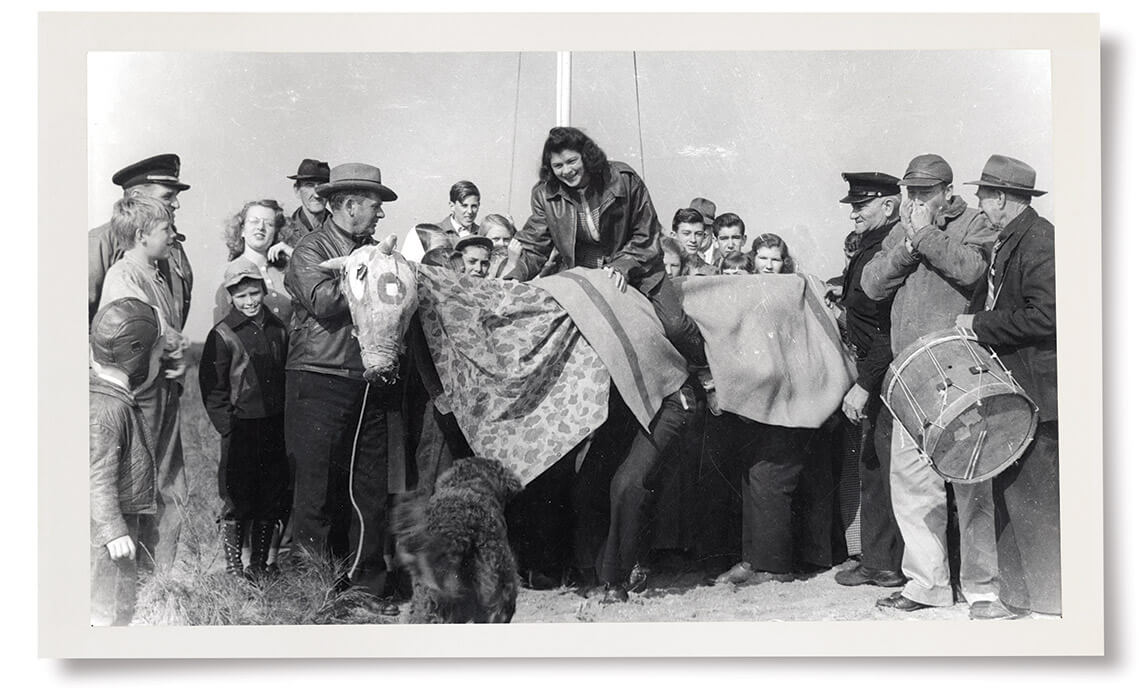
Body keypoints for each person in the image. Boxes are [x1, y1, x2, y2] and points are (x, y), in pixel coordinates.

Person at [860, 153, 1001, 616]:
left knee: (970, 479)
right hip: (911, 376)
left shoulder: (973, 222)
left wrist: (923, 235)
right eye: (910, 192)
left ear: (946, 191)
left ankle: (982, 588)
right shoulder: (902, 228)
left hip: (959, 371)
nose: (914, 200)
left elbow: (973, 270)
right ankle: (927, 584)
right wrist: (907, 243)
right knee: (912, 483)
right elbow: (872, 285)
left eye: (924, 192)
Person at [283, 162, 404, 615]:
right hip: (318, 377)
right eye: (375, 206)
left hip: (370, 382)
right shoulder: (309, 249)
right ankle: (315, 591)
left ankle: (367, 589)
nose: (380, 216)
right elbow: (323, 302)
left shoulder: (374, 251)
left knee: (369, 488)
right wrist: (369, 270)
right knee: (316, 491)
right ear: (349, 205)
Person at [503, 126, 709, 374]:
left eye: (571, 161)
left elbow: (647, 233)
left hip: (638, 267)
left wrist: (622, 265)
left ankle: (704, 369)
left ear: (586, 156)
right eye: (558, 166)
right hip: (584, 274)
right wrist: (514, 276)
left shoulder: (623, 178)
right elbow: (536, 245)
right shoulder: (545, 194)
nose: (567, 171)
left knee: (674, 326)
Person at [957, 155, 1058, 619]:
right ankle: (1019, 598)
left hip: (1038, 393)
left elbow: (1049, 314)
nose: (979, 204)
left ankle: (1054, 602)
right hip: (1017, 391)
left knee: (1036, 499)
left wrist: (980, 324)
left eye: (983, 195)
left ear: (1000, 198)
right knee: (1011, 494)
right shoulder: (1013, 240)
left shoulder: (1040, 240)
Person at [99, 196, 190, 573]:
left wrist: (178, 353)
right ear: (140, 235)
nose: (172, 235)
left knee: (170, 483)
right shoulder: (123, 276)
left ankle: (160, 578)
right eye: (165, 229)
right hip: (139, 397)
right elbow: (137, 334)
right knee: (138, 484)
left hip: (161, 389)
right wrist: (174, 342)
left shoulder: (156, 273)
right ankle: (130, 582)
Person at [831, 172, 906, 589]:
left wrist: (865, 384)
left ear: (888, 206)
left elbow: (888, 329)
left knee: (887, 467)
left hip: (885, 372)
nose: (854, 213)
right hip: (876, 369)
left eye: (861, 206)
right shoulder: (873, 246)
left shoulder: (889, 248)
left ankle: (889, 563)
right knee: (873, 466)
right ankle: (879, 561)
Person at [199, 260, 291, 581]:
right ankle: (234, 565)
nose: (250, 301)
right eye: (241, 296)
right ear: (230, 298)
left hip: (273, 427)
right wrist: (228, 427)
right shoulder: (222, 334)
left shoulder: (279, 329)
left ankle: (260, 564)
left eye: (255, 293)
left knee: (270, 495)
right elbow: (213, 388)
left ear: (264, 291)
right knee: (237, 497)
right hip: (240, 430)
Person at [89, 298, 163, 625]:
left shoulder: (110, 399)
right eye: (158, 355)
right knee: (103, 609)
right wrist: (114, 530)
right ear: (138, 357)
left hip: (116, 523)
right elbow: (97, 480)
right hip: (107, 535)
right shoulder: (110, 410)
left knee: (117, 599)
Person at [89, 153, 193, 329]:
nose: (176, 204)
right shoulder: (100, 242)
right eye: (167, 196)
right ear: (136, 197)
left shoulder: (173, 247)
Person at [214, 200, 294, 325]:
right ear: (242, 230)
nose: (261, 227)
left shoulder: (287, 271)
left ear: (277, 232)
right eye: (254, 221)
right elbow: (222, 329)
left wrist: (293, 253)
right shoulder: (228, 272)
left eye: (269, 224)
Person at [276, 158, 331, 256]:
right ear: (297, 190)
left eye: (322, 186)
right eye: (309, 185)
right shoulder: (282, 232)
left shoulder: (342, 230)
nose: (317, 195)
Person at [672, 207, 714, 275]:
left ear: (704, 236)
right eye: (686, 233)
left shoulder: (711, 273)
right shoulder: (663, 270)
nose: (693, 240)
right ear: (673, 236)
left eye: (698, 234)